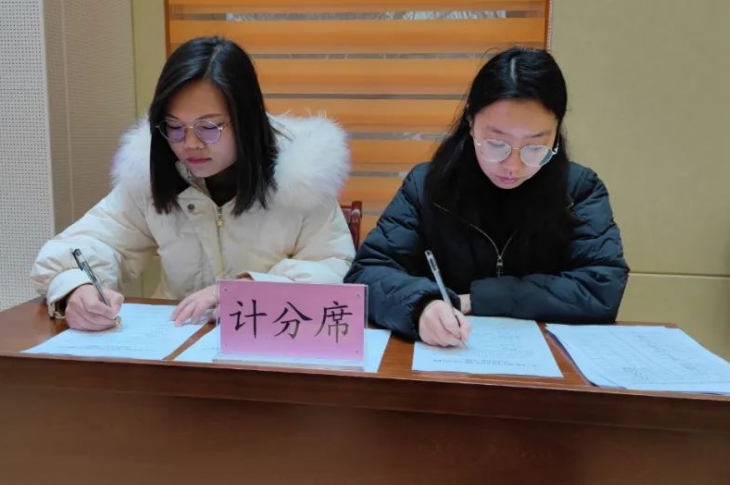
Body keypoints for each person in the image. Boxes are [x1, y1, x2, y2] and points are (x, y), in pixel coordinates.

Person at [31, 36, 355, 331]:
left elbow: (336, 272)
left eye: (209, 127)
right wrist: (76, 287)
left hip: (270, 348)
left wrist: (248, 290)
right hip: (176, 345)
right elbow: (85, 244)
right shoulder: (152, 173)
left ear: (246, 120)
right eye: (174, 127)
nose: (189, 144)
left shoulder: (302, 178)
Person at [344, 47, 628, 347]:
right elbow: (367, 274)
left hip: (548, 364)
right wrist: (421, 305)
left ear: (556, 133)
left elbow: (602, 286)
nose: (512, 165)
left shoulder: (579, 190)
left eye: (535, 148)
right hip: (444, 357)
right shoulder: (427, 187)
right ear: (470, 122)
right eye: (496, 143)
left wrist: (476, 300)